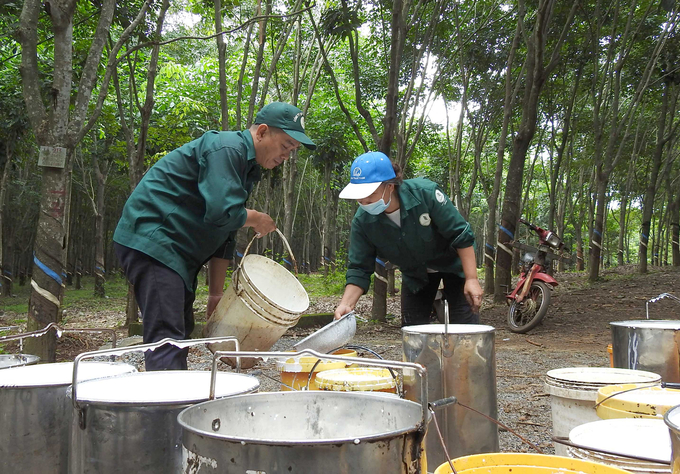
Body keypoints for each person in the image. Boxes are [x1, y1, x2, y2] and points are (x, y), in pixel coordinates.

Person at [113, 102, 316, 370]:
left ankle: (176, 400)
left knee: (181, 331)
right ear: (263, 132)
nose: (286, 156)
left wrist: (216, 296)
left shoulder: (246, 168)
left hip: (177, 254)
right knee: (167, 335)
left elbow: (225, 233)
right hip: (155, 241)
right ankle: (166, 408)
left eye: (293, 151)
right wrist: (256, 218)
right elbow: (222, 213)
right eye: (286, 146)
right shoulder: (227, 149)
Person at [333, 151, 483, 326]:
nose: (363, 202)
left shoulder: (425, 194)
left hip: (455, 266)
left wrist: (472, 279)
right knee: (413, 335)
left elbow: (461, 235)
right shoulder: (363, 221)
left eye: (369, 195)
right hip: (416, 275)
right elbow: (359, 268)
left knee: (465, 331)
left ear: (390, 186)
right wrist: (346, 304)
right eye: (359, 196)